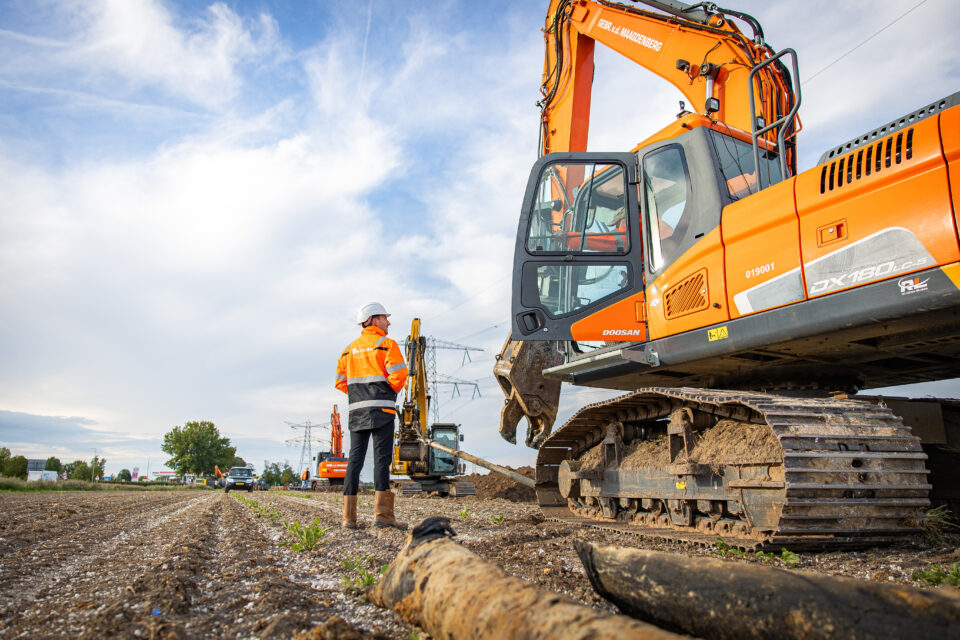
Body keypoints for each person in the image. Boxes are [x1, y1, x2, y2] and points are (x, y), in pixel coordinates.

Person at [335, 302, 409, 530]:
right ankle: (383, 517)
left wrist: (360, 396)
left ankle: (349, 519)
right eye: (385, 318)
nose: (389, 322)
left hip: (357, 412)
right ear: (374, 320)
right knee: (381, 461)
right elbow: (399, 376)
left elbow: (340, 381)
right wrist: (385, 391)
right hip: (382, 411)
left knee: (354, 461)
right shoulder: (386, 345)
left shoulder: (349, 349)